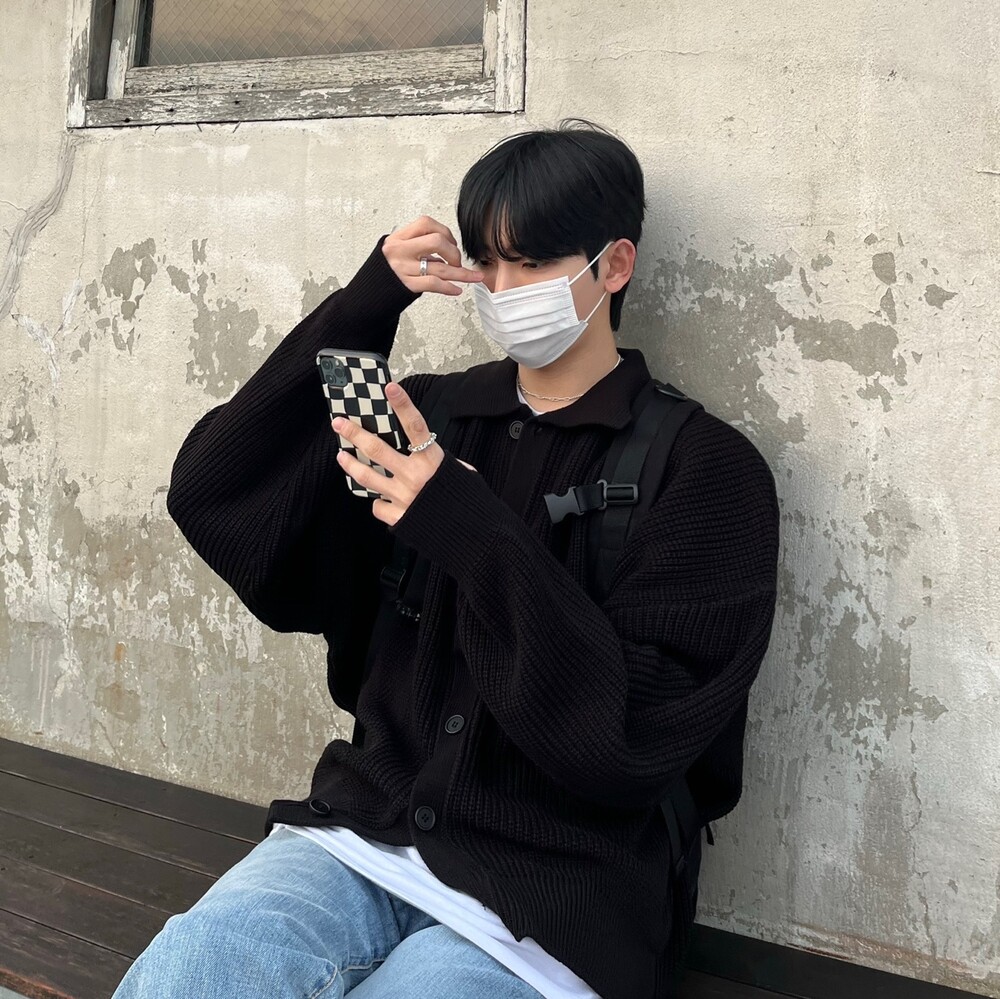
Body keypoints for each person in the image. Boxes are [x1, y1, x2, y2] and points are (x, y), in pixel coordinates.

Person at [112, 119, 780, 999]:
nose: (502, 290)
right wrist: (365, 305)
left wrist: (466, 525)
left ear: (613, 266)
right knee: (192, 967)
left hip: (558, 894)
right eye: (487, 263)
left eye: (531, 263)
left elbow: (628, 739)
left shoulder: (708, 471)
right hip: (362, 837)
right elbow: (217, 496)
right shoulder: (427, 415)